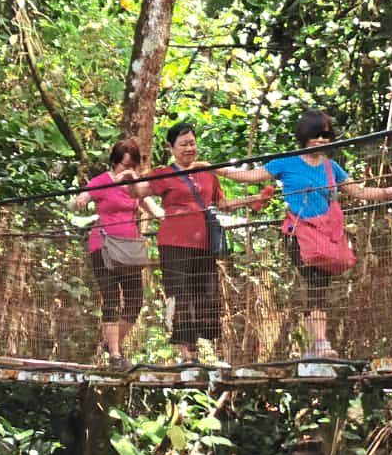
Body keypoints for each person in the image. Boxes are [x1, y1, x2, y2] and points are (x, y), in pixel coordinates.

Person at [215, 110, 392, 358]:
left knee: (320, 286)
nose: (322, 140)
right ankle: (320, 342)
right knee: (315, 282)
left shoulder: (330, 167)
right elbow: (249, 177)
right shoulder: (287, 162)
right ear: (305, 136)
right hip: (297, 235)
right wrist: (215, 169)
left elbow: (359, 192)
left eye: (326, 135)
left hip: (324, 237)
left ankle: (316, 345)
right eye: (317, 135)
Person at [126, 122, 268, 364]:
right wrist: (129, 177)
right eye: (183, 144)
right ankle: (187, 355)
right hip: (174, 242)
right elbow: (137, 192)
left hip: (203, 242)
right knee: (181, 294)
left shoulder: (206, 172)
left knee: (205, 295)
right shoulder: (164, 174)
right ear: (171, 147)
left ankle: (197, 350)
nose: (189, 148)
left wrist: (252, 199)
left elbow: (221, 204)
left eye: (192, 143)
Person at [70, 139, 164, 370]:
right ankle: (115, 355)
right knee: (111, 299)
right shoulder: (102, 181)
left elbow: (157, 212)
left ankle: (111, 343)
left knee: (135, 301)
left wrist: (181, 213)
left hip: (129, 250)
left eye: (133, 166)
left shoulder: (136, 185)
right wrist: (80, 201)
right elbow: (76, 202)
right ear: (114, 163)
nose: (128, 171)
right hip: (103, 248)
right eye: (125, 166)